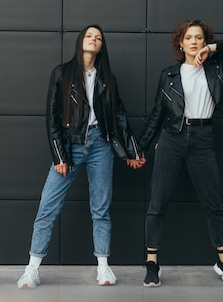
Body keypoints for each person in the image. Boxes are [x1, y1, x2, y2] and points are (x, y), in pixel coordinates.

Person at [17, 25, 145, 289]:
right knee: (47, 207)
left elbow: (118, 117)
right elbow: (52, 117)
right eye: (89, 36)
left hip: (101, 144)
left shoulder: (108, 78)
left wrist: (130, 152)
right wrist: (59, 156)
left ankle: (103, 267)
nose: (94, 39)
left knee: (101, 208)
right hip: (70, 145)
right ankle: (31, 269)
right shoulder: (62, 73)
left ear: (101, 46)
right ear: (80, 42)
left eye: (98, 38)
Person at [138, 19, 223, 287]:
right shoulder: (169, 75)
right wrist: (139, 148)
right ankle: (152, 263)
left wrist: (212, 50)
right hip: (171, 139)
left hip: (203, 137)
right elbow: (157, 113)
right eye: (189, 37)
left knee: (214, 204)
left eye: (199, 37)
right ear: (180, 42)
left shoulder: (219, 68)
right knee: (157, 203)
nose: (194, 42)